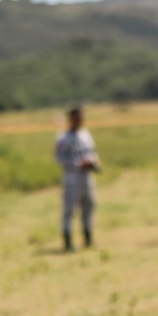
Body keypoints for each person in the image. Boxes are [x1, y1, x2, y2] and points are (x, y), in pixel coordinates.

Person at [54, 106, 100, 250]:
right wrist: (78, 163)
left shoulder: (85, 135)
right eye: (76, 118)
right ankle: (67, 241)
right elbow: (59, 158)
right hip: (72, 177)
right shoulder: (63, 137)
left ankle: (88, 239)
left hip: (87, 177)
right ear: (71, 119)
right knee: (69, 210)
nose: (79, 120)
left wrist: (92, 162)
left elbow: (92, 152)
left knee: (89, 206)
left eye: (81, 118)